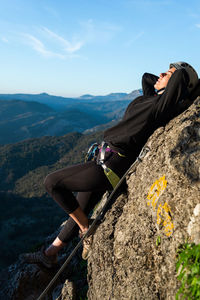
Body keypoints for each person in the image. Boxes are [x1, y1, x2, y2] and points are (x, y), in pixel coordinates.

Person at [23, 62, 198, 268]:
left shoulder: (162, 108)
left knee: (52, 183)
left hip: (109, 168)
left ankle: (87, 230)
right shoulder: (152, 98)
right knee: (78, 211)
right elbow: (146, 77)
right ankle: (50, 253)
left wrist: (183, 76)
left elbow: (178, 81)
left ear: (179, 83)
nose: (160, 73)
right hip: (103, 160)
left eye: (168, 73)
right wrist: (169, 77)